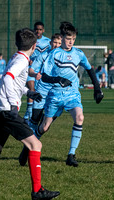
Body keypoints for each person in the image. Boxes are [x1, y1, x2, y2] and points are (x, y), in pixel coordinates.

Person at [0, 28, 60, 200]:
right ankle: (37, 191)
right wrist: (14, 104)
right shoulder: (21, 62)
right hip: (7, 112)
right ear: (34, 46)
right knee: (35, 145)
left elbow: (13, 83)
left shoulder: (17, 57)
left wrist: (28, 92)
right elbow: (7, 79)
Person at [20, 22, 104, 168]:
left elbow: (90, 69)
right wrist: (58, 79)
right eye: (68, 38)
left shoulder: (78, 54)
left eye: (73, 39)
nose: (71, 42)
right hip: (55, 96)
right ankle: (28, 147)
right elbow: (44, 76)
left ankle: (71, 155)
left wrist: (97, 88)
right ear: (63, 37)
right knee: (44, 127)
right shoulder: (54, 54)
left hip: (72, 95)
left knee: (80, 117)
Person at [19, 33, 63, 166]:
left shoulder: (65, 58)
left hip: (57, 95)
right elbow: (31, 70)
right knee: (34, 121)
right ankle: (27, 150)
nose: (57, 45)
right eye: (55, 42)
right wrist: (35, 74)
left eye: (59, 43)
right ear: (50, 43)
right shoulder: (44, 56)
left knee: (44, 127)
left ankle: (27, 148)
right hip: (42, 93)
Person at [24, 21, 51, 122]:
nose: (38, 31)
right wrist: (28, 58)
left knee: (40, 93)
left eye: (40, 29)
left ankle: (38, 112)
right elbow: (25, 52)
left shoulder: (48, 42)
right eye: (36, 29)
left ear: (43, 30)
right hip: (31, 69)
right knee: (32, 89)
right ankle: (29, 111)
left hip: (42, 71)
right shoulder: (30, 40)